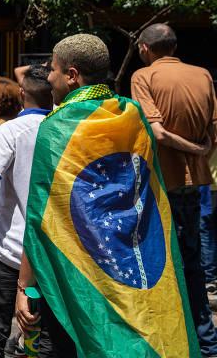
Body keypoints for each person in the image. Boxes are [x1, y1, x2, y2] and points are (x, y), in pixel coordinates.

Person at [17, 34, 200, 357]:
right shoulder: (132, 116)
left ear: (72, 76)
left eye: (53, 70)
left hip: (78, 273)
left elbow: (42, 219)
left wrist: (24, 288)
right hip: (136, 264)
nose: (48, 77)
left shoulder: (56, 128)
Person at [131, 23, 217, 357]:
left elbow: (159, 134)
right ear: (175, 46)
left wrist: (193, 151)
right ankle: (206, 344)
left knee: (159, 266)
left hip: (160, 185)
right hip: (193, 184)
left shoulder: (143, 77)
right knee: (193, 264)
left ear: (144, 48)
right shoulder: (203, 75)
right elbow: (211, 135)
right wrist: (198, 152)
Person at [0, 66, 54, 358]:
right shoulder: (64, 128)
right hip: (51, 253)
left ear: (22, 94)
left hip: (8, 250)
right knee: (46, 337)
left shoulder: (11, 130)